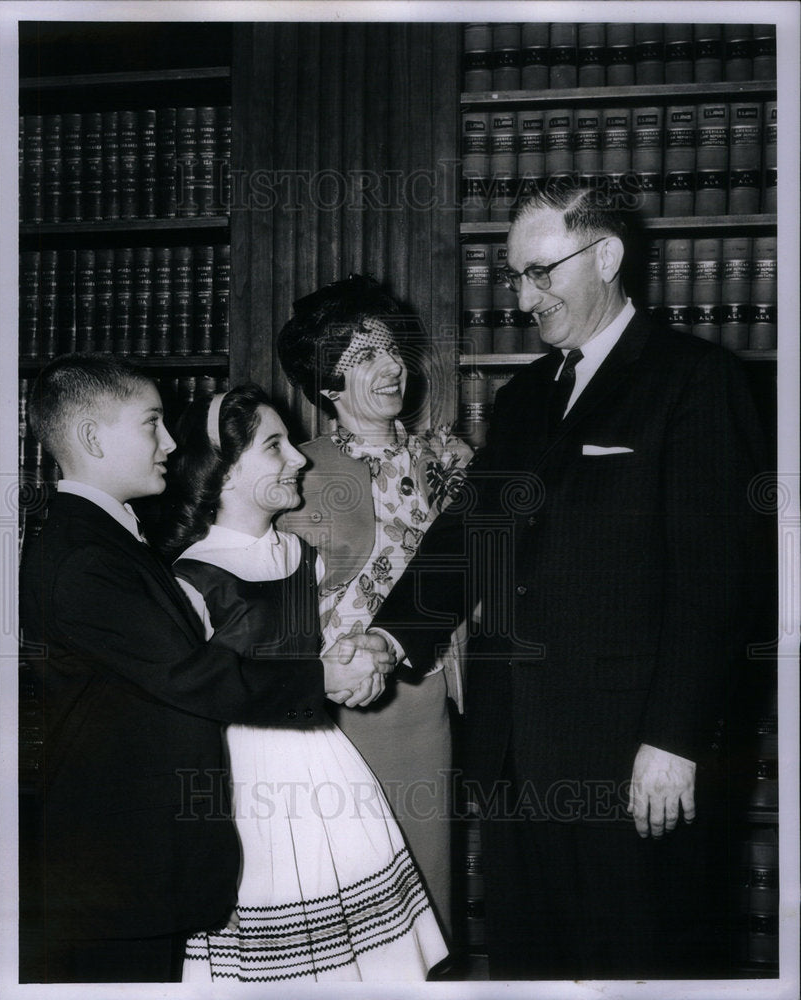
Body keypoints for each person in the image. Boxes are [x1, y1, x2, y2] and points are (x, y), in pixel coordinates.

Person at [369, 180, 768, 979]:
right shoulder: (522, 398)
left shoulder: (695, 380)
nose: (524, 296)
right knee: (533, 969)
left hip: (630, 757)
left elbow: (718, 580)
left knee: (637, 964)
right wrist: (388, 634)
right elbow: (470, 538)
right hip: (515, 752)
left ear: (608, 256)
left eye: (542, 271)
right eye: (516, 276)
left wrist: (674, 739)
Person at [19, 354, 393, 983]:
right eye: (152, 424)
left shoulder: (100, 538)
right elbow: (190, 673)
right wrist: (322, 679)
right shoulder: (86, 556)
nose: (171, 442)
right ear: (91, 437)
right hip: (116, 861)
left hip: (133, 853)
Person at [158, 383, 448, 982]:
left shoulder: (301, 554)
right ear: (225, 471)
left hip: (324, 757)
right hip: (247, 776)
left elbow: (315, 659)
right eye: (274, 447)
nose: (299, 458)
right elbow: (200, 689)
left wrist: (354, 673)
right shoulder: (190, 577)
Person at [276, 275, 473, 939]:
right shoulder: (294, 475)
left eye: (392, 351)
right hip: (337, 716)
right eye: (364, 358)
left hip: (429, 709)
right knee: (349, 907)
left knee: (426, 895)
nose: (392, 367)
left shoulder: (452, 460)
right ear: (326, 382)